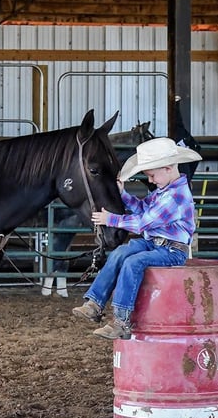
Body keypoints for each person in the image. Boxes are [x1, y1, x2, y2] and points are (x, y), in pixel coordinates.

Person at [71, 137, 202, 340]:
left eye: (151, 175)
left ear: (167, 168)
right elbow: (143, 208)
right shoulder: (164, 191)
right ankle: (95, 303)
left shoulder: (175, 197)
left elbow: (143, 222)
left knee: (133, 262)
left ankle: (121, 322)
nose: (150, 180)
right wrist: (123, 195)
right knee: (121, 252)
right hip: (154, 244)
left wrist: (111, 219)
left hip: (172, 251)